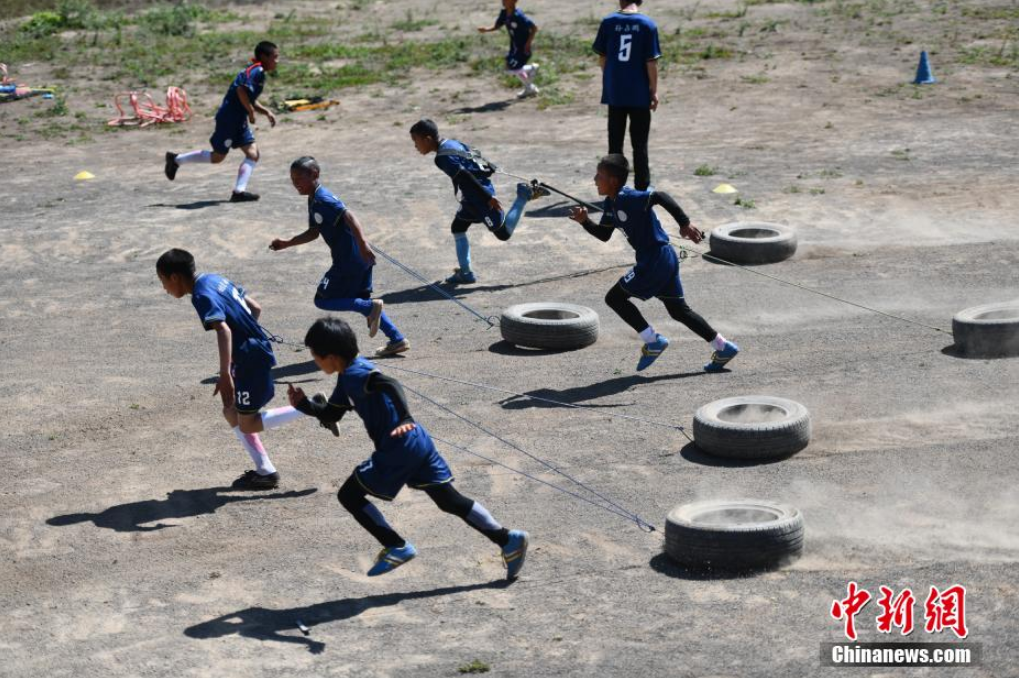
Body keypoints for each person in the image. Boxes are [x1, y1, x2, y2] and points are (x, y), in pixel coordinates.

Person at [291, 317, 529, 579]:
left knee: (349, 496)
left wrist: (405, 417)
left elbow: (389, 383)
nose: (315, 361)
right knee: (448, 500)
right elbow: (332, 414)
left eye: (315, 356)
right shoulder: (347, 377)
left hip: (398, 448)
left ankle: (396, 545)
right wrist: (303, 405)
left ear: (332, 357)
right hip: (417, 442)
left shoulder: (357, 374)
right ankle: (508, 539)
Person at [567, 155, 739, 372]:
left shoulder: (629, 197)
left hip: (654, 259)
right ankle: (723, 347)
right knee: (678, 311)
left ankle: (653, 340)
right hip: (664, 258)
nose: (594, 180)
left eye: (599, 176)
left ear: (612, 180)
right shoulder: (611, 203)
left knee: (615, 298)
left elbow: (660, 196)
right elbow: (604, 234)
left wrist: (684, 224)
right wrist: (585, 221)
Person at [157, 248, 309, 489]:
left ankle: (311, 408)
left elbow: (223, 329)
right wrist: (245, 338)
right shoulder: (213, 279)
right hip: (251, 354)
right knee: (231, 412)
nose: (164, 288)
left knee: (247, 422)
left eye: (163, 281)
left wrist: (225, 373)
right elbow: (255, 308)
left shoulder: (200, 295)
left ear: (174, 277)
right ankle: (265, 471)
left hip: (249, 360)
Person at [270, 156, 410, 358]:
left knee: (323, 299)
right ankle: (397, 339)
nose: (295, 183)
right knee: (361, 301)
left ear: (314, 174)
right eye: (292, 179)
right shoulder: (314, 199)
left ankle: (372, 309)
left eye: (299, 178)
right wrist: (287, 243)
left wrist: (362, 244)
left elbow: (349, 215)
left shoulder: (323, 199)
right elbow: (314, 232)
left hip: (350, 259)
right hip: (357, 258)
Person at [410, 118, 545, 285]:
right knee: (458, 227)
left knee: (503, 234)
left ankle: (523, 196)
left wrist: (488, 197)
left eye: (415, 141)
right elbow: (473, 152)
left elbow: (465, 175)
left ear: (427, 139)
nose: (415, 146)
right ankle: (466, 273)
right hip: (470, 197)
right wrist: (490, 165)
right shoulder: (451, 143)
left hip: (480, 196)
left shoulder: (441, 158)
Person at [164, 42, 279, 202]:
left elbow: (249, 97)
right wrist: (251, 112)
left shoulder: (257, 72)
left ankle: (239, 192)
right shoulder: (256, 71)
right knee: (218, 157)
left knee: (253, 154)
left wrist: (265, 112)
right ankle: (176, 160)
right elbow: (241, 90)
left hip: (239, 119)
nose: (277, 61)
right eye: (274, 57)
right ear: (263, 57)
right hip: (229, 119)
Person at [592, 1, 661, 191]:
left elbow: (603, 58)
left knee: (615, 144)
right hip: (639, 93)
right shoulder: (647, 24)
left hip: (615, 93)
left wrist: (610, 80)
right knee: (640, 144)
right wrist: (654, 90)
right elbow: (651, 62)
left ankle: (613, 188)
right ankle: (641, 189)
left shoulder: (608, 22)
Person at [478, 0, 540, 98]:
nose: (503, 1)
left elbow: (534, 28)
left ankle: (532, 68)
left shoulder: (518, 16)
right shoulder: (504, 13)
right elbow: (497, 26)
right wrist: (486, 29)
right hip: (514, 47)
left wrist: (528, 44)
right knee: (512, 67)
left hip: (522, 48)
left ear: (514, 1)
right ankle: (529, 88)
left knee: (511, 69)